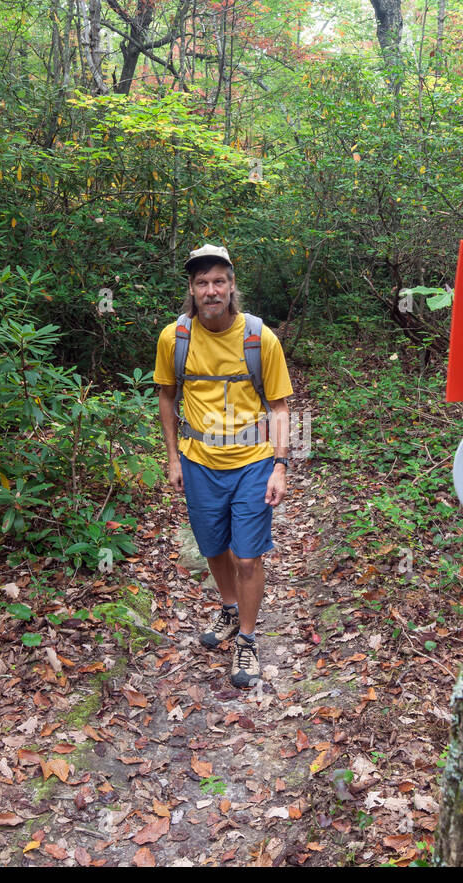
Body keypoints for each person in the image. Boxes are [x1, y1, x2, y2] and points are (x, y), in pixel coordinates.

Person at [154, 244, 293, 688]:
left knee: (247, 557)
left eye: (218, 281)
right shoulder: (174, 339)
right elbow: (166, 397)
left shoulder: (259, 338)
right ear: (191, 290)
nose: (210, 290)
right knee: (213, 548)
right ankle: (230, 611)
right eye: (201, 283)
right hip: (199, 464)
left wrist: (280, 466)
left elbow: (281, 407)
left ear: (232, 286)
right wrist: (173, 458)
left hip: (252, 463)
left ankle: (248, 640)